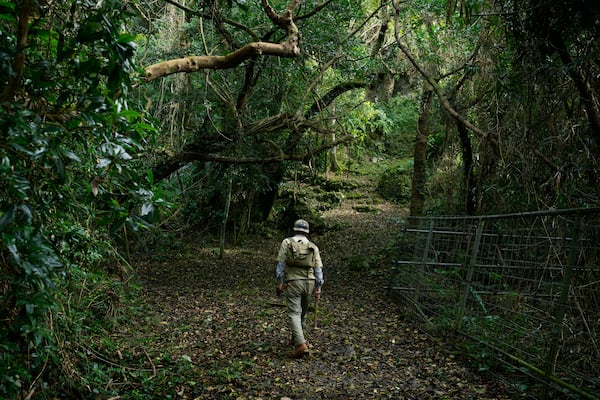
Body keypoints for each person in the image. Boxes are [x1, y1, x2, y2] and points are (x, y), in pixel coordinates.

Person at [275, 219, 324, 358]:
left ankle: (301, 344)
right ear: (307, 232)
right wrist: (318, 287)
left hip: (293, 282)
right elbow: (318, 269)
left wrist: (280, 282)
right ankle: (296, 337)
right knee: (302, 312)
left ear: (294, 229)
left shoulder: (287, 242)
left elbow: (280, 264)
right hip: (310, 283)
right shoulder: (313, 246)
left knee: (294, 313)